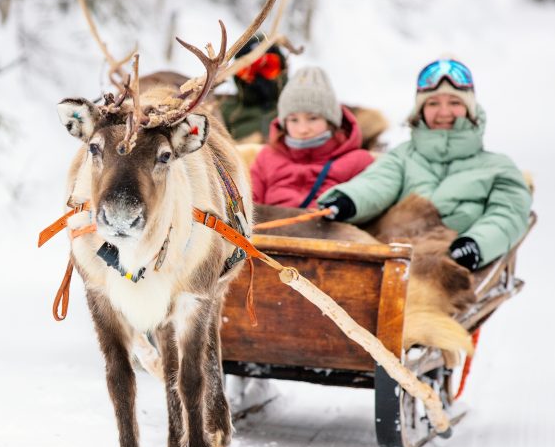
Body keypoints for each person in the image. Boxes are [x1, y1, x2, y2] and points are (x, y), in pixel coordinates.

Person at [317, 58, 532, 270]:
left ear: (470, 109)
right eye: (433, 103)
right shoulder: (402, 157)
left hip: (449, 268)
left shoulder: (499, 168)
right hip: (395, 261)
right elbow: (376, 184)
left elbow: (507, 215)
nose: (444, 112)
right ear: (420, 110)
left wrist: (475, 244)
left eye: (455, 103)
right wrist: (348, 200)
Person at [250, 66, 374, 207]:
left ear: (330, 121)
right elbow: (249, 204)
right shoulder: (266, 158)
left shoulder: (358, 161)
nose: (303, 129)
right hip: (270, 228)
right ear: (284, 123)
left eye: (313, 118)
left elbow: (370, 199)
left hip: (330, 227)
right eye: (293, 120)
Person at [219, 33, 288, 143]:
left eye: (268, 67)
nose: (258, 77)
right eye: (248, 70)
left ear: (282, 69)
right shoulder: (223, 111)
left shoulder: (297, 109)